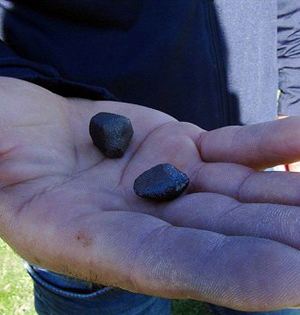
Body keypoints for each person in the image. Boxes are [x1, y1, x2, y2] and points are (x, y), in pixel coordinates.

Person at [0, 0, 300, 314]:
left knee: (269, 278)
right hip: (78, 186)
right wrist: (8, 76)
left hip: (244, 152)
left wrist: (294, 93)